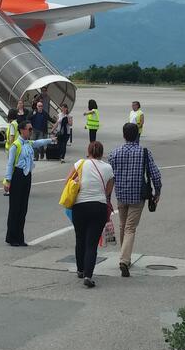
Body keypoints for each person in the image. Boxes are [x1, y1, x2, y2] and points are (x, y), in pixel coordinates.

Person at [107, 123, 162, 277]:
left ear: (124, 135)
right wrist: (157, 192)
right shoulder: (144, 152)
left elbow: (108, 175)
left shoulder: (115, 153)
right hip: (138, 196)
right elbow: (155, 175)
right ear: (137, 135)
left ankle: (124, 256)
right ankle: (124, 260)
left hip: (121, 195)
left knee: (123, 225)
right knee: (131, 227)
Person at [67, 141, 114, 288]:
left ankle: (80, 269)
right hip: (98, 206)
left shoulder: (79, 164)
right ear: (101, 153)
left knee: (80, 238)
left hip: (79, 206)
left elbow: (68, 182)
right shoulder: (107, 168)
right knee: (91, 243)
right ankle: (88, 275)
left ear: (89, 151)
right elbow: (108, 190)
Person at [4, 122, 53, 246]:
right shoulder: (16, 145)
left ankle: (20, 237)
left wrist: (50, 140)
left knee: (23, 208)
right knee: (15, 208)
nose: (31, 131)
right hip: (17, 176)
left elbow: (38, 143)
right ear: (22, 130)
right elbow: (10, 164)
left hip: (27, 176)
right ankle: (12, 237)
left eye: (31, 129)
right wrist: (7, 180)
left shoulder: (28, 143)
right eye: (29, 129)